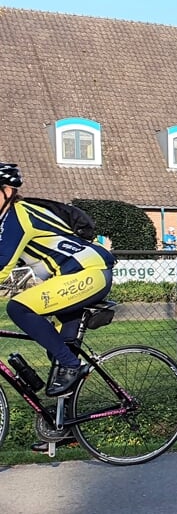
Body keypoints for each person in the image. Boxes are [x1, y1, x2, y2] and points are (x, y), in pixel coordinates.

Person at [0, 162, 117, 404]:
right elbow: (23, 272)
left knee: (18, 308)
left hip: (89, 272)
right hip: (70, 276)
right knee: (56, 349)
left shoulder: (18, 217)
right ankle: (63, 428)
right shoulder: (8, 220)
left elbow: (2, 268)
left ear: (7, 191)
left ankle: (72, 364)